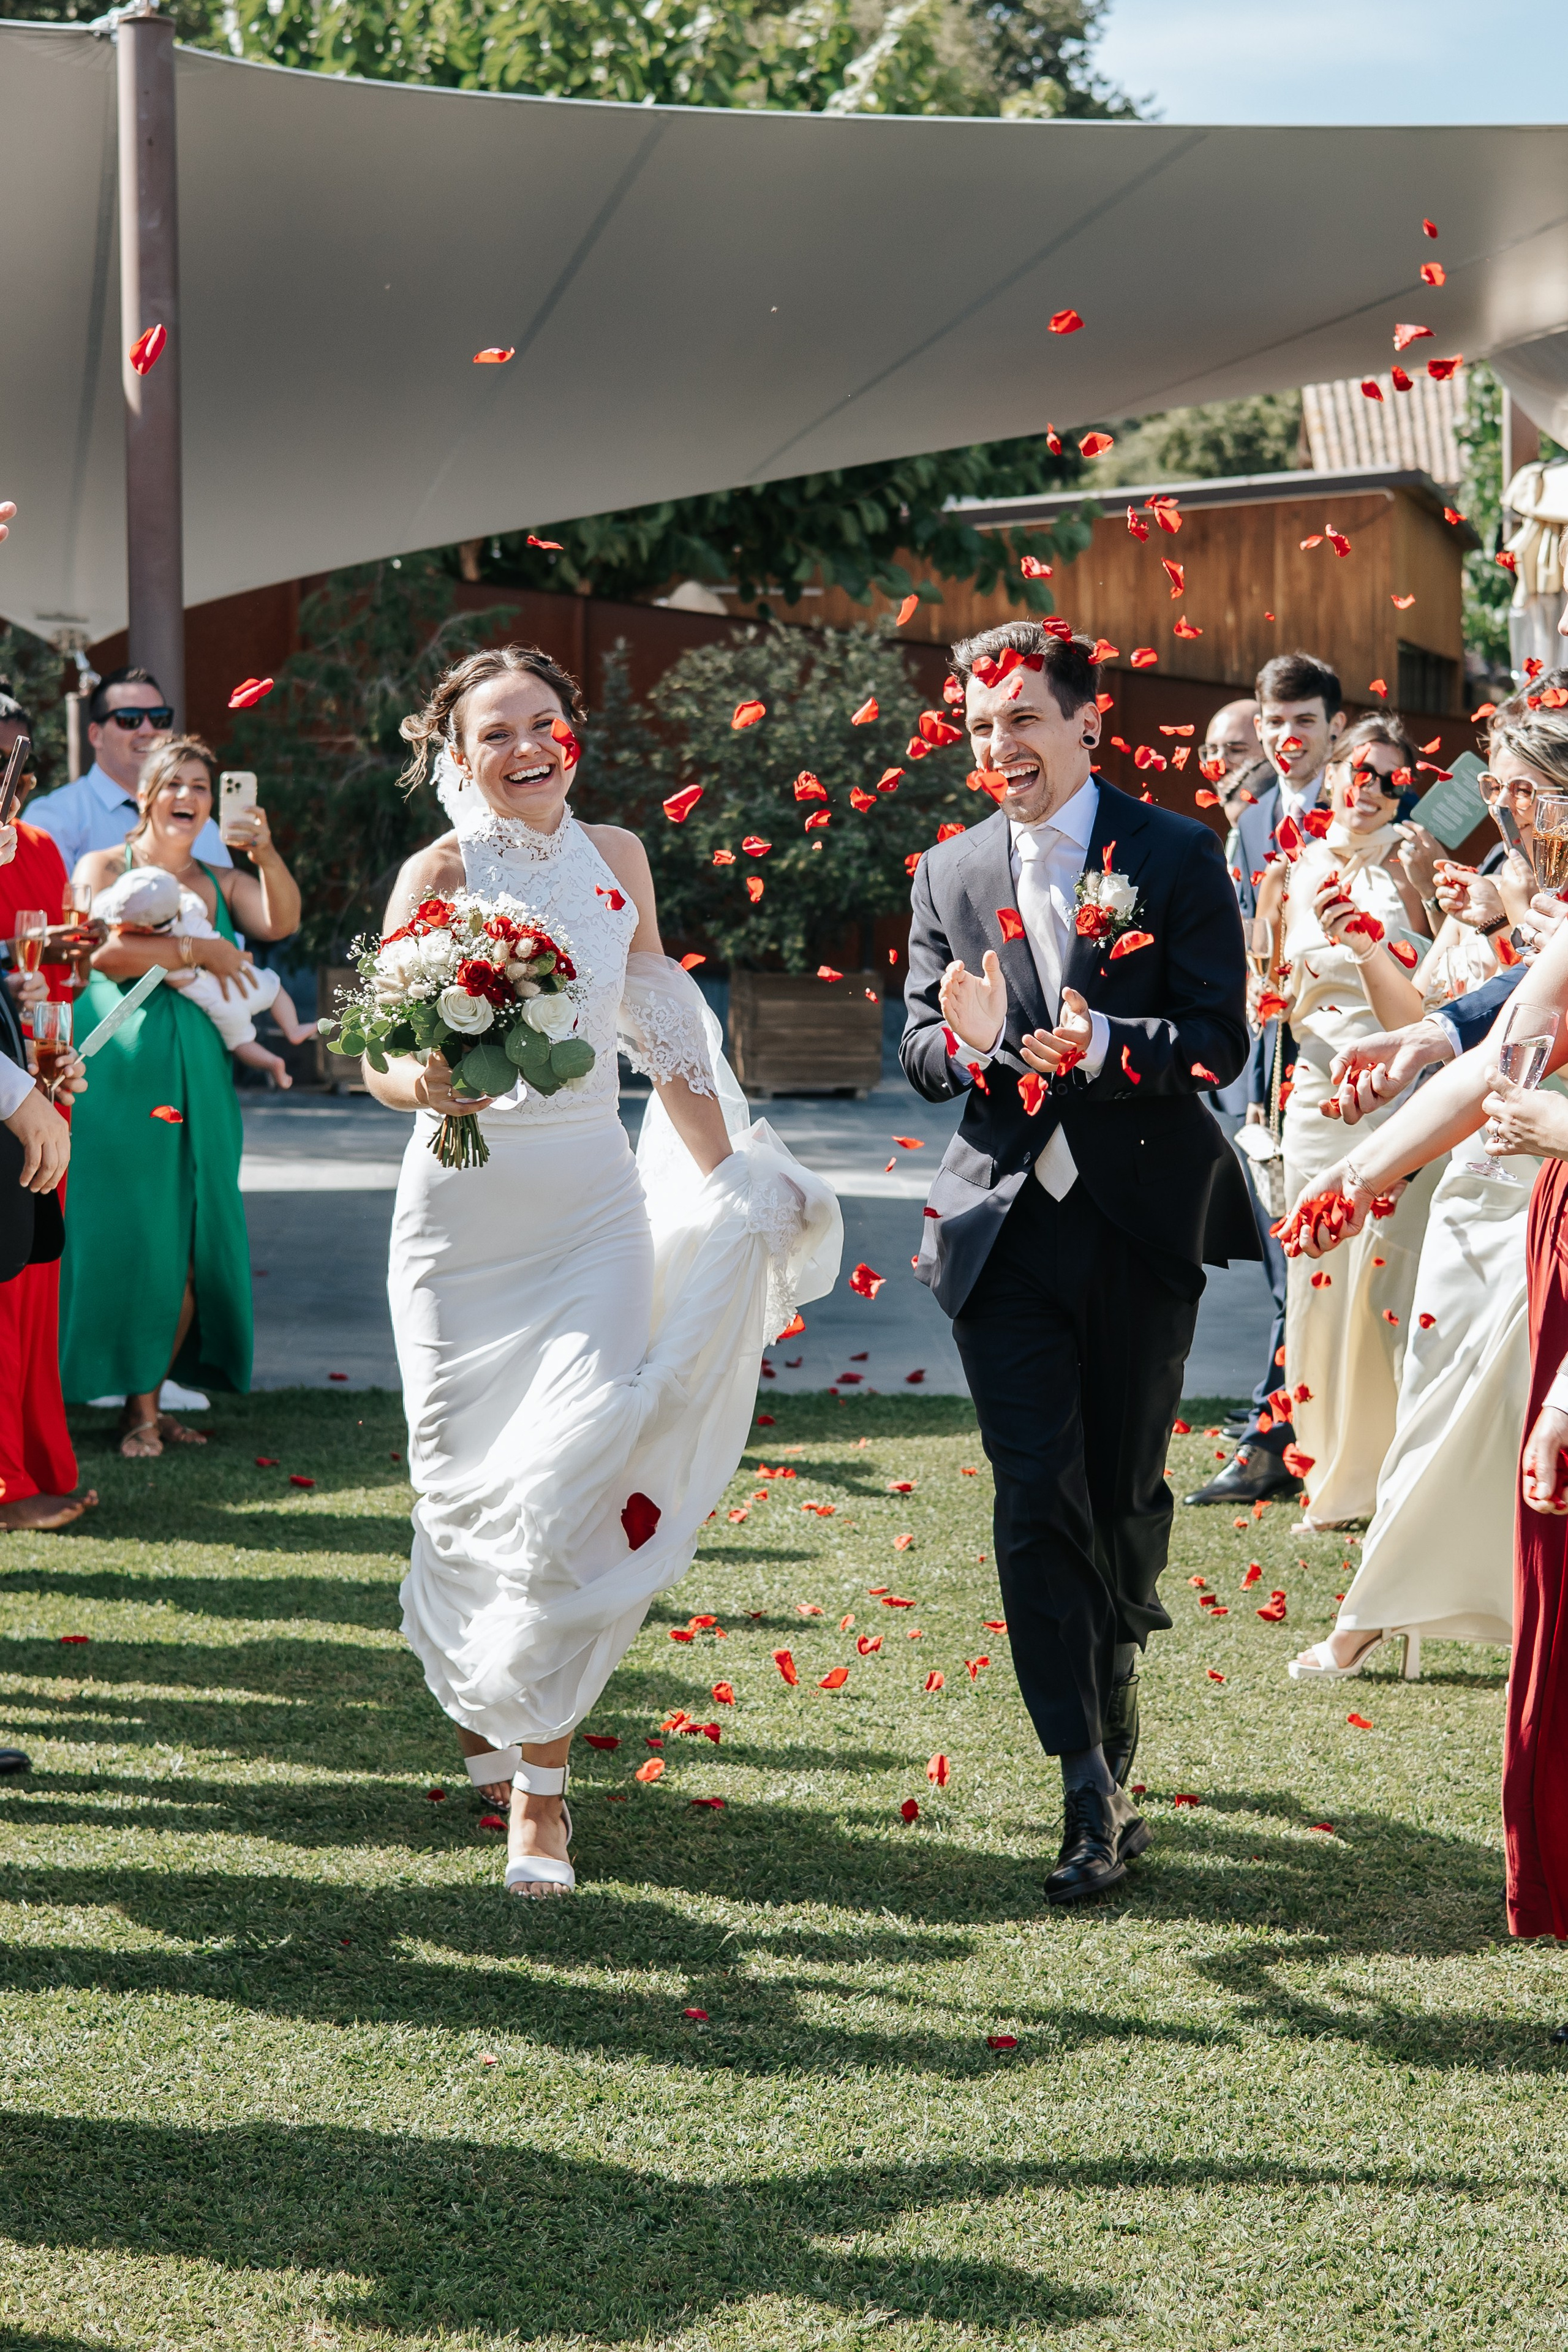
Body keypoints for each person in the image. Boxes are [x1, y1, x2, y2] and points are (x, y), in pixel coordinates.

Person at [373, 644, 840, 1900]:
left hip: (587, 1210)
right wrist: (417, 1079)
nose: (527, 748)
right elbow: (378, 1052)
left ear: (573, 734)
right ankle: (486, 1687)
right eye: (495, 733)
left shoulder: (617, 859)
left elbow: (665, 1043)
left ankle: (542, 1798)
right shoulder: (439, 874)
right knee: (461, 1487)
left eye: (545, 722)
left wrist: (738, 1169)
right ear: (455, 756)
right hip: (457, 1220)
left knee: (570, 1472)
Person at [902, 619, 1255, 1904]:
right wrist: (974, 1047)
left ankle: (1114, 1689)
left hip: (1136, 1224)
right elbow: (918, 1042)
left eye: (1021, 723)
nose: (998, 748)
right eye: (979, 727)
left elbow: (1219, 1036)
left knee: (1118, 1498)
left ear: (1083, 727)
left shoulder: (1171, 853)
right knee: (1029, 1493)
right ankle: (1082, 1781)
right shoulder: (944, 870)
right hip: (999, 1231)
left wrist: (1105, 1042)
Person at [1288, 703, 1568, 1678]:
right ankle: (1385, 1606)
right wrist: (1364, 1166)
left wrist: (1365, 1169)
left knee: (1502, 1410)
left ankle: (1387, 1613)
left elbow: (1506, 1047)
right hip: (1488, 1174)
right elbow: (1498, 1040)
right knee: (1450, 1398)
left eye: (1513, 787)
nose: (1495, 805)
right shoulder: (1540, 894)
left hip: (1544, 1185)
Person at [59, 736, 302, 1455]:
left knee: (197, 1235)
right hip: (120, 1080)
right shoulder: (104, 866)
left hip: (200, 1078)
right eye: (176, 784)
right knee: (132, 1234)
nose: (189, 797)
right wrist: (203, 951)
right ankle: (130, 1403)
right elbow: (101, 950)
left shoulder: (222, 881)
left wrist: (263, 852)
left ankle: (152, 1398)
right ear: (147, 793)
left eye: (202, 786)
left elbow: (281, 922)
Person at [0, 699, 98, 1529]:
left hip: (34, 1074)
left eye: (12, 767)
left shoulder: (36, 849)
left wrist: (44, 1063)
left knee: (30, 1277)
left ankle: (33, 1460)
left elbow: (38, 967)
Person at [90, 862, 318, 1084]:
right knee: (276, 989)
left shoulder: (156, 948)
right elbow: (189, 899)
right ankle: (293, 1028)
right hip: (245, 977)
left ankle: (272, 1063)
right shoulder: (191, 910)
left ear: (144, 929)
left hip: (224, 1005)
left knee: (240, 1042)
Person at [26, 666, 230, 875]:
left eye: (159, 718)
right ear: (96, 735)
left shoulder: (203, 826)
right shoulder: (54, 817)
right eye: (129, 719)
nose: (148, 731)